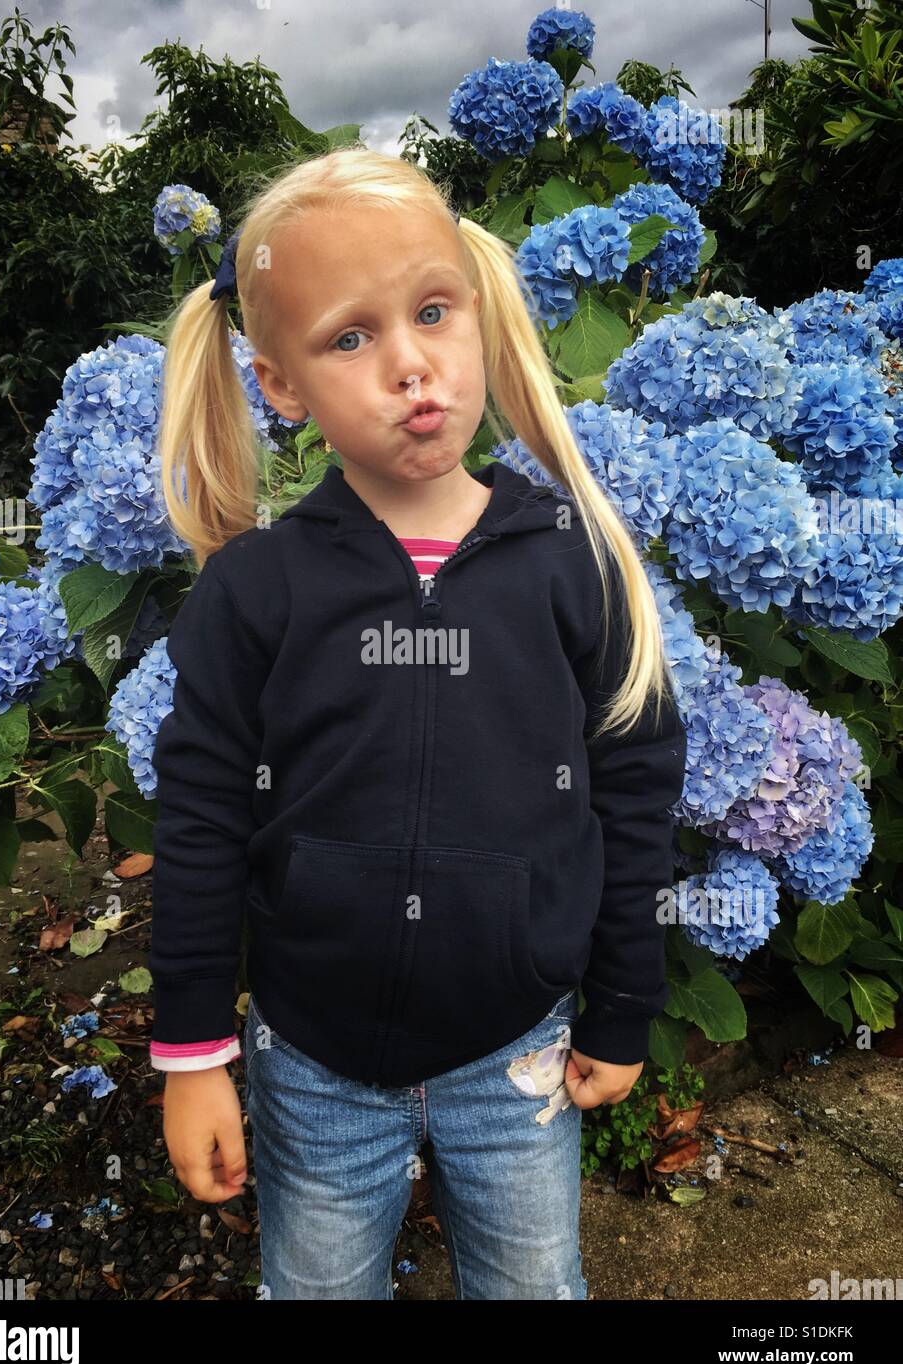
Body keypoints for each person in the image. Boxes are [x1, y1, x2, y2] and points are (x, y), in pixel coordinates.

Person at [147, 146, 688, 1300]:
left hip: (519, 1052)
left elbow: (634, 788)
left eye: (434, 310)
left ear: (477, 314)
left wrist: (624, 1000)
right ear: (279, 383)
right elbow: (196, 819)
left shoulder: (572, 564)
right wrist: (193, 1052)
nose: (410, 365)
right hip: (316, 1064)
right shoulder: (257, 589)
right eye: (350, 337)